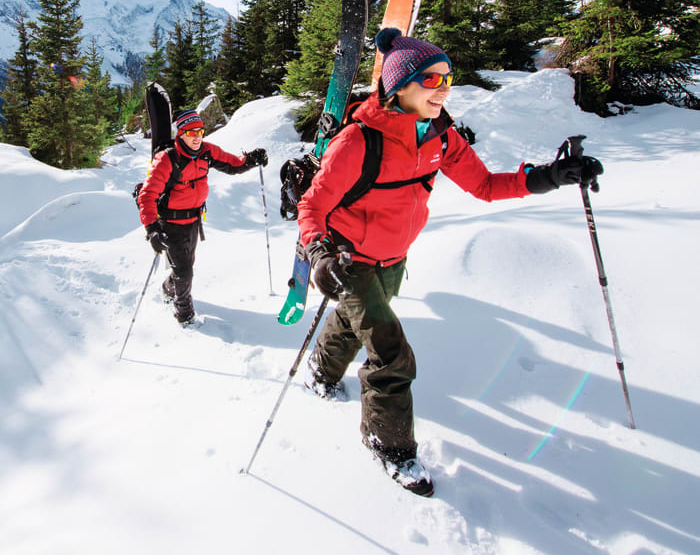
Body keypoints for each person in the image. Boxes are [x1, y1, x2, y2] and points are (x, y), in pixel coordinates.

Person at [297, 28, 602, 497]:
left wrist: (550, 176)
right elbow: (312, 205)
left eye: (448, 77)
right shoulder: (359, 142)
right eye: (431, 78)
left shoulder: (440, 136)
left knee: (354, 320)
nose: (443, 87)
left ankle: (320, 371)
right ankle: (390, 446)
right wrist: (318, 252)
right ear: (400, 87)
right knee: (390, 354)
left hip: (394, 258)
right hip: (348, 258)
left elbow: (485, 185)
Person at [138, 109, 268, 325]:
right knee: (185, 271)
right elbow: (147, 195)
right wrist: (152, 228)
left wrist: (251, 159)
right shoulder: (167, 159)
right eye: (190, 132)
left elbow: (233, 164)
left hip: (193, 222)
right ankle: (185, 316)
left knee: (185, 265)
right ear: (180, 134)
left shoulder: (207, 151)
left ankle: (167, 289)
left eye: (199, 130)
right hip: (170, 224)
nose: (197, 136)